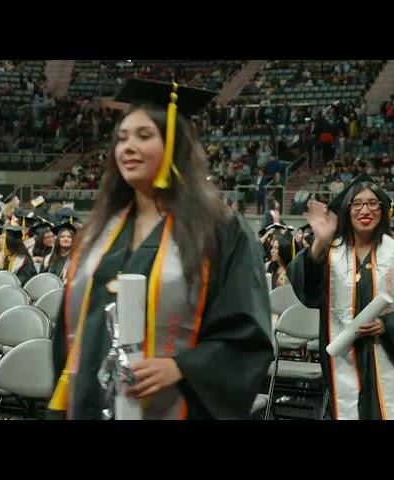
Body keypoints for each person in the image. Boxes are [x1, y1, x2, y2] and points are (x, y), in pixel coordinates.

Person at [49, 78, 273, 420]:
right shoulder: (99, 231)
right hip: (91, 401)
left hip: (175, 404)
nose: (127, 147)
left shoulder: (221, 230)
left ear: (174, 146)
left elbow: (247, 335)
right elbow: (70, 331)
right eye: (121, 138)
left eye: (144, 135)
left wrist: (182, 367)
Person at [287, 173, 394, 420]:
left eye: (372, 203)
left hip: (389, 354)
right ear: (347, 211)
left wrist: (387, 324)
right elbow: (307, 290)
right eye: (357, 204)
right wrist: (318, 244)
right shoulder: (330, 254)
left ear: (382, 209)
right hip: (343, 361)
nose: (364, 210)